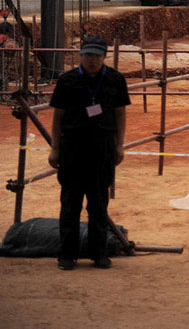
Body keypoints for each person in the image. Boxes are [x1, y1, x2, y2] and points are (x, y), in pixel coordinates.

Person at [48, 35, 130, 270]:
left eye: (96, 55)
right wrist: (55, 149)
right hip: (72, 149)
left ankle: (99, 253)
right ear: (80, 56)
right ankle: (67, 255)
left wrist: (119, 144)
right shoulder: (67, 80)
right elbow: (58, 116)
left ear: (104, 56)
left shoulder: (115, 79)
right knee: (70, 205)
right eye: (87, 55)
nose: (92, 60)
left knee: (98, 204)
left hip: (102, 149)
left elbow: (120, 113)